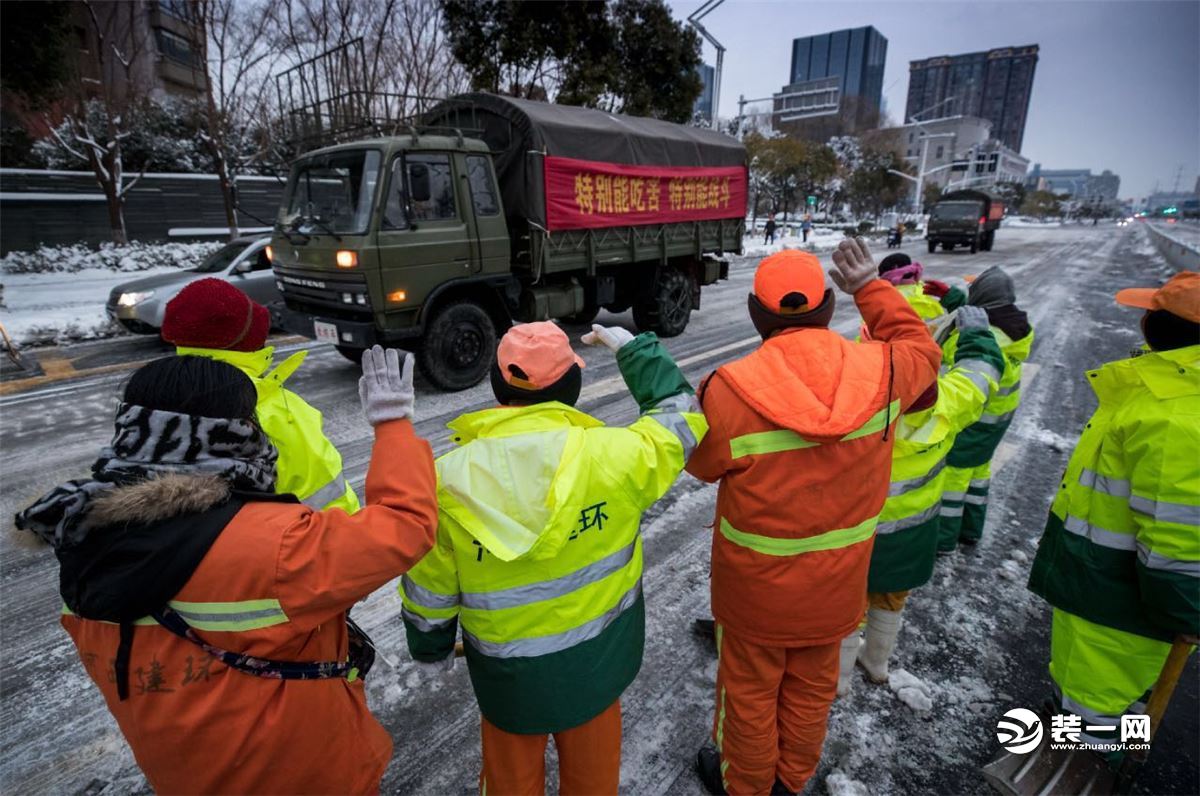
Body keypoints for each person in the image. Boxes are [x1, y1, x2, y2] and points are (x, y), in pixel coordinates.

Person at [15, 347, 438, 794]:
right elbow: (405, 525)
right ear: (235, 433)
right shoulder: (274, 546)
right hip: (304, 774)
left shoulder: (79, 536)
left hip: (182, 775)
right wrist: (392, 422)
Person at [399, 321, 706, 796]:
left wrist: (430, 647)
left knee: (509, 783)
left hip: (508, 682)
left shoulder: (445, 481)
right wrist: (637, 353)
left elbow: (429, 586)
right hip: (599, 667)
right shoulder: (616, 456)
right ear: (572, 388)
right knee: (593, 780)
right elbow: (681, 420)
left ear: (499, 387)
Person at [685, 242, 941, 796]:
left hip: (753, 595)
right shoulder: (885, 370)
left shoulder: (728, 389)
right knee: (809, 693)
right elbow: (922, 348)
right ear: (829, 306)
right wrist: (871, 287)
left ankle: (746, 787)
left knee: (749, 696)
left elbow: (700, 467)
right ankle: (790, 782)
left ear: (756, 314)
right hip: (837, 587)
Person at [1027, 271, 1199, 752]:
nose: (1142, 321)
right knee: (1085, 688)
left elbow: (1178, 532)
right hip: (1102, 584)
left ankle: (1088, 762)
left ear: (1164, 328)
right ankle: (1077, 739)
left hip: (1122, 598)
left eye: (1151, 313)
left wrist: (1182, 607)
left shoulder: (1174, 416)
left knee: (1097, 704)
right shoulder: (1163, 392)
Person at [839, 304, 1005, 693]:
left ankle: (839, 676)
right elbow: (981, 374)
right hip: (913, 531)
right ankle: (877, 661)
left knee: (849, 605)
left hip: (857, 530)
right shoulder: (947, 403)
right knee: (891, 597)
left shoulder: (855, 409)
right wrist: (977, 335)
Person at [161, 278, 359, 512]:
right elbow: (325, 499)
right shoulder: (276, 412)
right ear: (247, 339)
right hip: (287, 542)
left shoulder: (157, 396)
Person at [931, 266, 1034, 553]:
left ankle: (942, 539)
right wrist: (952, 297)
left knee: (952, 479)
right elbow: (979, 313)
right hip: (995, 421)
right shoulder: (1012, 325)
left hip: (971, 420)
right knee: (977, 474)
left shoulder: (985, 337)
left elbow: (966, 375)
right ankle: (970, 530)